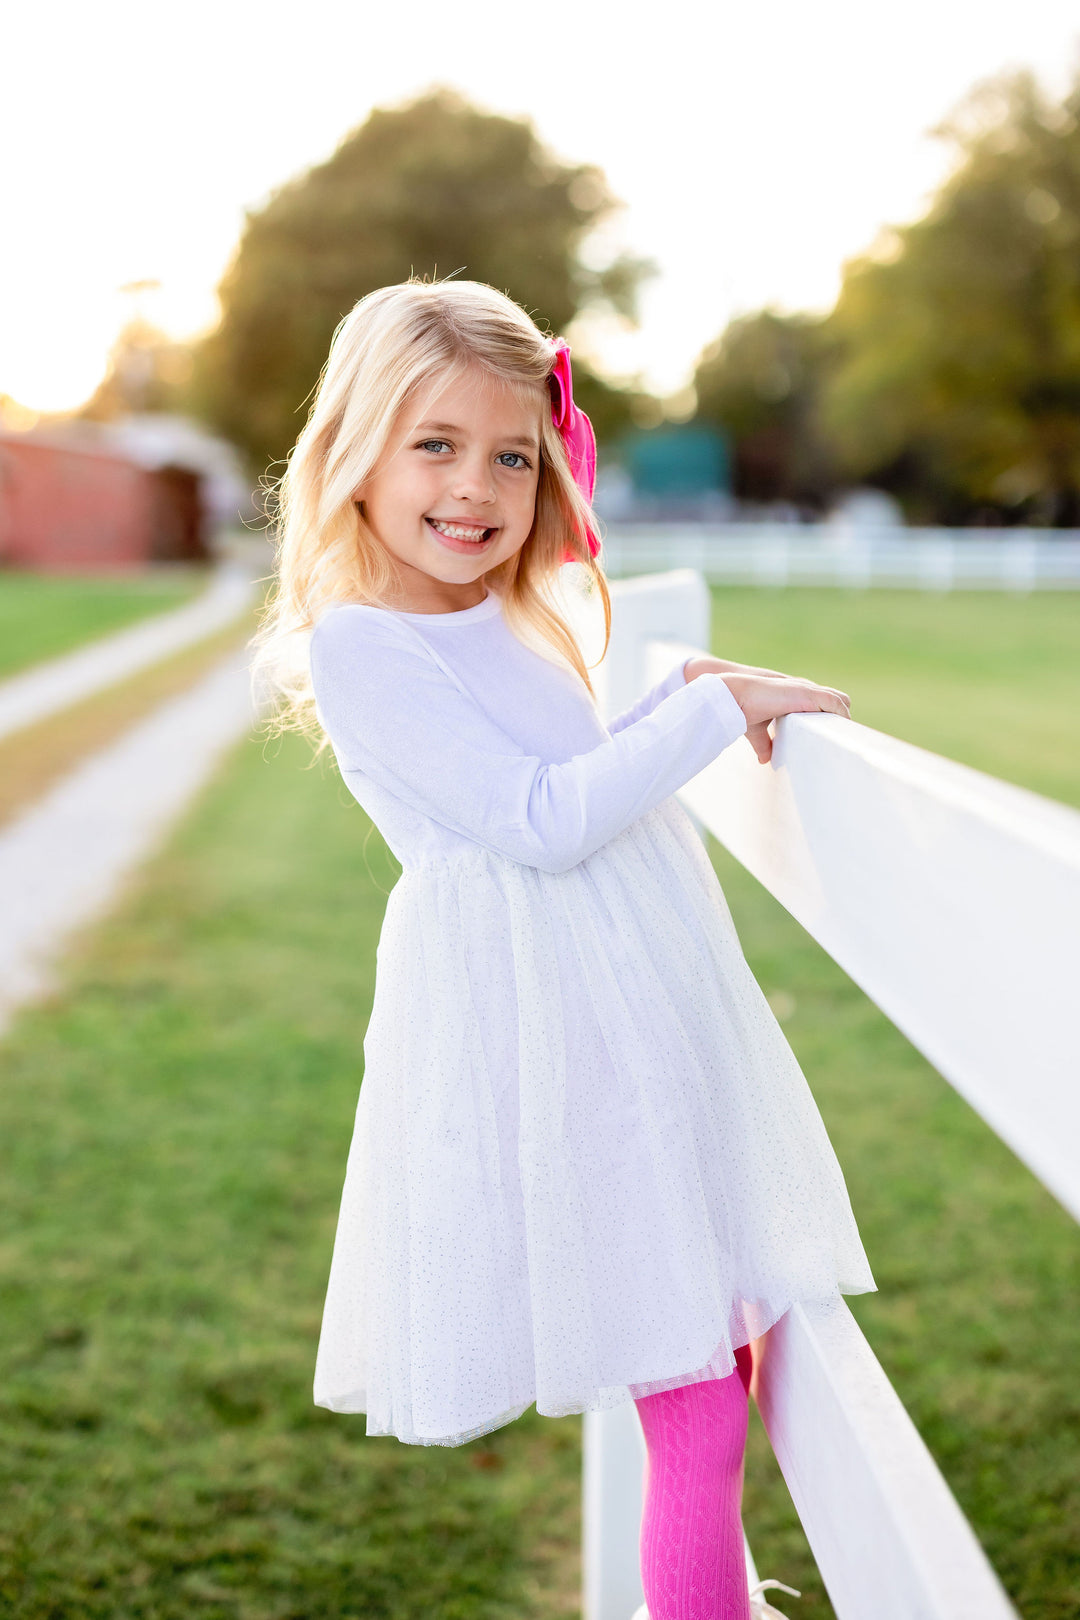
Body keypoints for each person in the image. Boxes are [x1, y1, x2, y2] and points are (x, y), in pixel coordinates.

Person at [254, 278, 876, 1620]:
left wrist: (676, 700)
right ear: (353, 449)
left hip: (625, 1003)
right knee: (694, 1397)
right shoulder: (363, 644)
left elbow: (577, 766)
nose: (476, 486)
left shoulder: (506, 614)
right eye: (436, 445)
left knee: (716, 1354)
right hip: (553, 1034)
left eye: (512, 455)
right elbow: (541, 823)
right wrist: (708, 703)